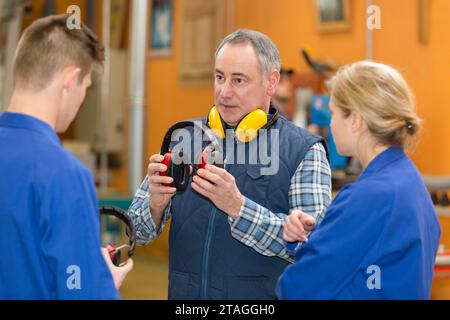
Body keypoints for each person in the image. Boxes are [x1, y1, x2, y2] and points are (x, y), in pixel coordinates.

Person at [128, 29, 332, 300]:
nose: (224, 92)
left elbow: (314, 249)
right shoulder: (185, 138)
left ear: (271, 83)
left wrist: (238, 208)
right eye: (219, 77)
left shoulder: (305, 151)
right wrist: (155, 205)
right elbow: (137, 233)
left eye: (239, 80)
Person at [276, 61, 441, 300]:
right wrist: (310, 238)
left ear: (355, 120)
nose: (330, 124)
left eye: (333, 113)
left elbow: (297, 288)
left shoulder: (369, 196)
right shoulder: (408, 180)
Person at [0, 14, 132, 300]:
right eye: (86, 87)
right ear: (70, 81)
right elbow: (82, 293)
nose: (82, 100)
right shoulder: (65, 174)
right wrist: (102, 280)